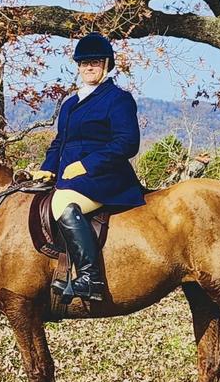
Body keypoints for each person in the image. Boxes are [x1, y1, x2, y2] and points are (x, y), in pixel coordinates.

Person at [30, 32, 145, 301]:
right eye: (84, 63)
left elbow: (128, 142)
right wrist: (47, 168)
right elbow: (61, 141)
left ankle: (90, 278)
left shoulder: (117, 98)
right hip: (72, 176)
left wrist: (86, 165)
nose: (88, 67)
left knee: (62, 204)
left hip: (106, 176)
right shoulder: (71, 103)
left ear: (106, 64)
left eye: (94, 62)